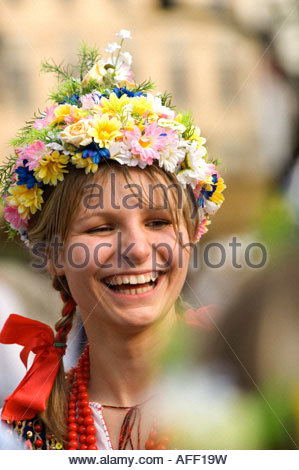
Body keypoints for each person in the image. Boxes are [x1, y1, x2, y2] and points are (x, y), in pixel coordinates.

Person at [0, 30, 225, 450]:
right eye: (101, 228)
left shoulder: (259, 401)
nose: (137, 249)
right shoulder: (22, 439)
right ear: (53, 255)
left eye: (158, 222)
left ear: (189, 237)